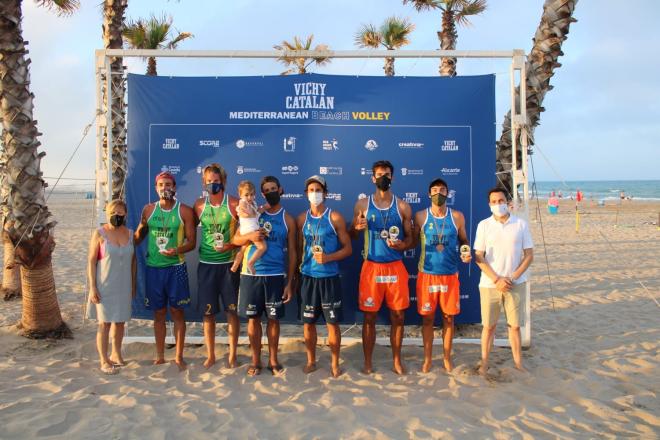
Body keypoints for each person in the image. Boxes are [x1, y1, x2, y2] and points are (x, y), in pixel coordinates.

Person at [349, 160, 413, 375]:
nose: (383, 177)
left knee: (398, 317)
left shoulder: (403, 206)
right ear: (372, 178)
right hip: (372, 267)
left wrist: (403, 245)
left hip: (395, 267)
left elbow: (412, 240)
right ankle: (368, 362)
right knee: (369, 317)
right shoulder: (362, 205)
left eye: (387, 174)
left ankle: (396, 360)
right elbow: (351, 235)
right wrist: (356, 228)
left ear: (392, 177)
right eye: (379, 174)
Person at [232, 176, 297, 376]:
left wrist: (290, 283)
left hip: (276, 275)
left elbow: (293, 252)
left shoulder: (288, 219)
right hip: (251, 274)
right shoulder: (253, 211)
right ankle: (255, 361)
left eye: (273, 188)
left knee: (274, 320)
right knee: (253, 320)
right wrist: (250, 237)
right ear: (261, 194)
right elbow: (236, 238)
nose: (270, 192)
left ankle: (273, 360)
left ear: (280, 189)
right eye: (266, 190)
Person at [134, 171, 196, 370]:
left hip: (176, 267)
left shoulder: (184, 211)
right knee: (159, 314)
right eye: (161, 185)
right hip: (154, 269)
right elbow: (138, 236)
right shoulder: (148, 210)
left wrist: (176, 250)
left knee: (177, 312)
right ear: (156, 188)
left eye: (168, 184)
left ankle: (178, 356)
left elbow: (192, 243)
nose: (165, 188)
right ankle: (160, 355)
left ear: (175, 187)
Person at [412, 178, 471, 373]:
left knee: (448, 319)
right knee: (428, 319)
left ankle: (446, 358)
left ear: (448, 193)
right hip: (427, 275)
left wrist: (465, 251)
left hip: (450, 275)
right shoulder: (420, 216)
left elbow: (463, 240)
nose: (438, 193)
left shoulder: (457, 216)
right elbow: (412, 242)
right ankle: (428, 359)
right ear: (429, 194)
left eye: (442, 190)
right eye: (435, 190)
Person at [296, 175, 352, 377]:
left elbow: (348, 249)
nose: (314, 194)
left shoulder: (334, 217)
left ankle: (335, 364)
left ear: (325, 193)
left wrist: (328, 258)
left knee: (332, 323)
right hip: (308, 277)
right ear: (306, 194)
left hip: (329, 277)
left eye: (318, 190)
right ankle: (311, 361)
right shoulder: (301, 219)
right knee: (308, 324)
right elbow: (295, 251)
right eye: (311, 190)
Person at [474, 187, 534, 375]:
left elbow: (529, 255)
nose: (498, 204)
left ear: (508, 202)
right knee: (489, 327)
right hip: (489, 284)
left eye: (501, 201)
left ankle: (518, 363)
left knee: (514, 327)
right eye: (494, 201)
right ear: (489, 204)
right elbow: (478, 256)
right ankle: (484, 363)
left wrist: (512, 277)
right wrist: (496, 279)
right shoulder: (484, 225)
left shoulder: (521, 224)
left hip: (515, 283)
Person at [193, 163, 241, 369]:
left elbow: (246, 233)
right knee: (208, 314)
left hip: (229, 266)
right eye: (209, 181)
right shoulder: (199, 206)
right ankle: (211, 354)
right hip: (206, 265)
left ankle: (232, 355)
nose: (213, 184)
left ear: (224, 182)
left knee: (232, 312)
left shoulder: (234, 204)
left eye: (216, 181)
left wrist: (231, 245)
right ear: (204, 183)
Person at [87, 199, 136, 375]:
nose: (117, 215)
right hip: (104, 286)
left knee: (120, 322)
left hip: (124, 285)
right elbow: (92, 262)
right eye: (113, 212)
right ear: (107, 214)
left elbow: (133, 262)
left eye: (120, 212)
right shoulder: (100, 234)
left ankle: (116, 354)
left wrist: (133, 284)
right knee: (104, 324)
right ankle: (104, 359)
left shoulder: (130, 234)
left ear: (125, 214)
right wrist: (93, 287)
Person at [231, 180, 266, 274]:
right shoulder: (242, 203)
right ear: (240, 195)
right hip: (249, 229)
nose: (249, 197)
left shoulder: (253, 203)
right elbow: (246, 212)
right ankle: (251, 263)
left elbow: (257, 212)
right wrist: (249, 213)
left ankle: (235, 264)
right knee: (262, 247)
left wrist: (264, 208)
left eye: (252, 194)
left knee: (243, 249)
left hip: (249, 229)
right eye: (246, 195)